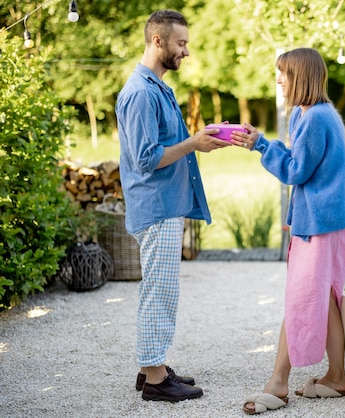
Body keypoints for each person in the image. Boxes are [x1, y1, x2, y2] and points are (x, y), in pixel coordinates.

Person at [231, 48, 345, 415]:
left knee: (300, 298)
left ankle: (279, 383)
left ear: (301, 76)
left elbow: (297, 172)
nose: (280, 80)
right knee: (328, 299)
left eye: (283, 73)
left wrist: (261, 145)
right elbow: (307, 169)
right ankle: (335, 377)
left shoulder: (316, 117)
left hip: (321, 226)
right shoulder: (312, 113)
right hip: (326, 222)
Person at [115, 10, 230, 402]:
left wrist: (199, 141)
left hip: (166, 204)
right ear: (158, 41)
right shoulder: (141, 93)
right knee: (159, 291)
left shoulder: (157, 87)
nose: (186, 51)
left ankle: (153, 368)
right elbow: (146, 158)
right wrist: (193, 143)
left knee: (160, 289)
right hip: (157, 206)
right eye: (181, 43)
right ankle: (156, 380)